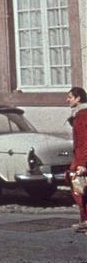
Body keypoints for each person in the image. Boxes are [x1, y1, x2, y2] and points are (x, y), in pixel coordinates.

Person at [67, 86, 87, 233]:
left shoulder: (82, 116)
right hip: (81, 157)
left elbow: (84, 141)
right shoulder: (80, 115)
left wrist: (82, 163)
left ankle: (85, 221)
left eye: (70, 97)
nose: (67, 99)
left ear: (78, 98)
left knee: (79, 189)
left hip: (81, 159)